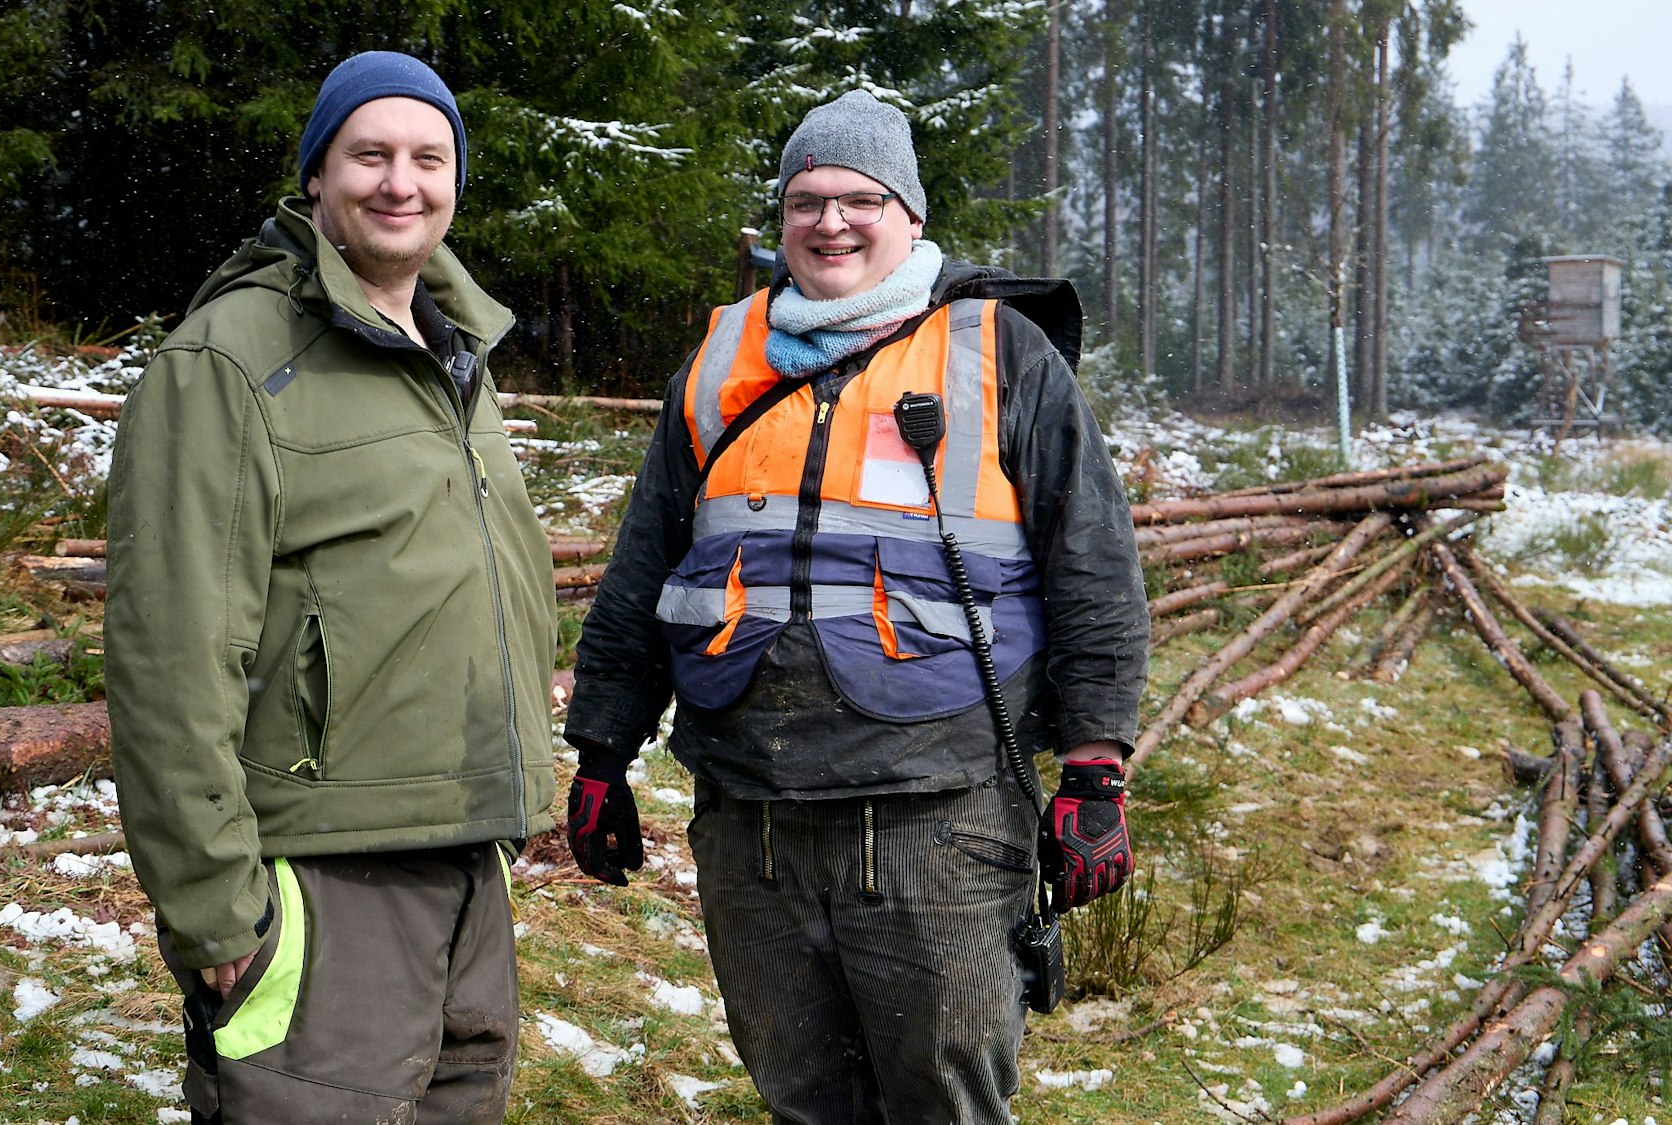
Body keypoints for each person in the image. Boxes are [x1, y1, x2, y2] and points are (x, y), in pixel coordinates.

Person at [561, 89, 1148, 1123]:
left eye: (859, 198)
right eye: (804, 201)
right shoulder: (714, 363)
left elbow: (1091, 566)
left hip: (939, 817)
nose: (829, 222)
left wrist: (1094, 766)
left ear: (908, 216)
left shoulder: (1001, 354)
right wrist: (602, 749)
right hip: (749, 821)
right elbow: (647, 562)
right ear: (778, 220)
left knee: (942, 1106)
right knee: (802, 1101)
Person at [104, 51, 555, 1125]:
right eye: (369, 154)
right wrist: (215, 909)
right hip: (317, 874)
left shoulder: (449, 351)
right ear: (316, 175)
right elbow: (171, 652)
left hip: (463, 854)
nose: (400, 182)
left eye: (427, 158)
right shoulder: (231, 359)